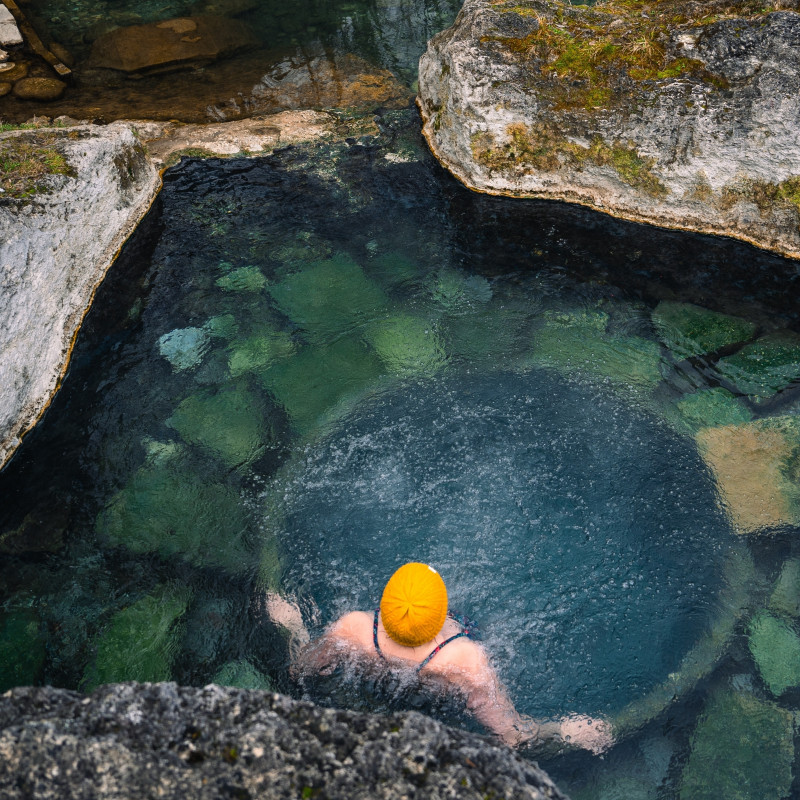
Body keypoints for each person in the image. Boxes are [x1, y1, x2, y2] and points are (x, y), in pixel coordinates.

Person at [268, 562, 613, 753]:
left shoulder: (354, 627)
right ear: (441, 617)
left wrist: (292, 625)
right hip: (440, 705)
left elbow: (302, 667)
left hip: (378, 691)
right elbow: (511, 735)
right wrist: (563, 730)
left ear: (386, 602)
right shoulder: (464, 658)